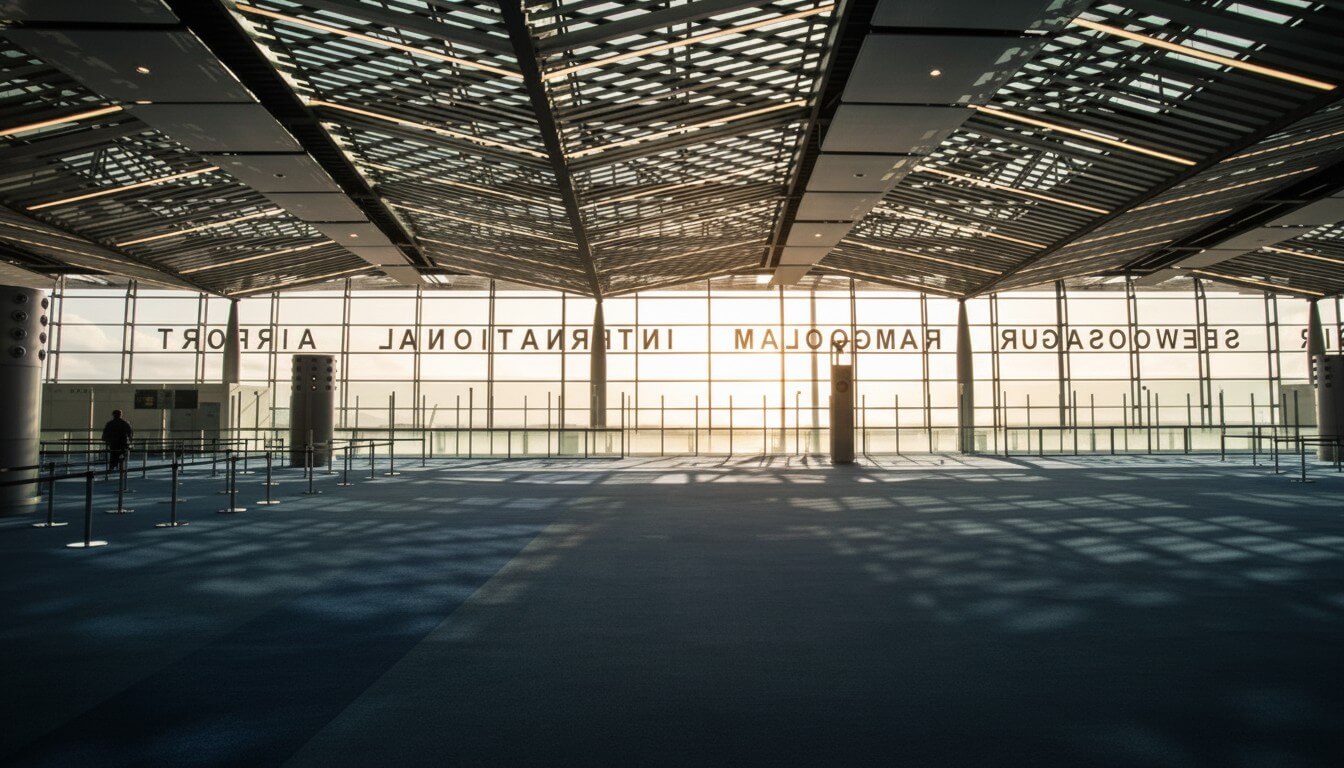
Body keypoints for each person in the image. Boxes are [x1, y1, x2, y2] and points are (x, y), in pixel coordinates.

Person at [102, 409, 134, 479]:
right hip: (123, 443)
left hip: (113, 443)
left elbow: (105, 433)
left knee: (113, 455)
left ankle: (112, 466)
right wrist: (130, 441)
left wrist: (106, 440)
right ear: (120, 415)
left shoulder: (110, 423)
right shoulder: (125, 423)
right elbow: (130, 433)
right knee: (122, 455)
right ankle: (121, 468)